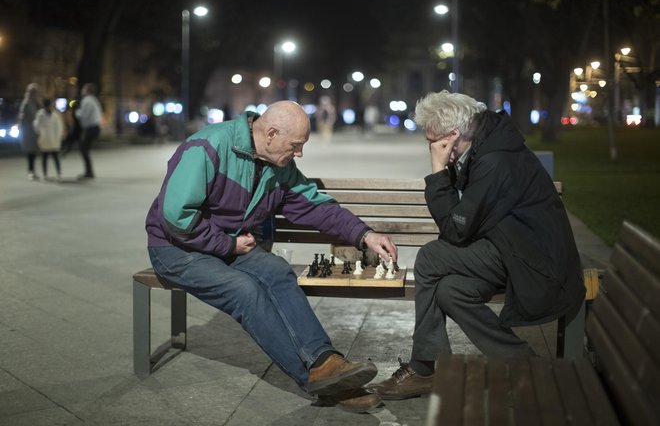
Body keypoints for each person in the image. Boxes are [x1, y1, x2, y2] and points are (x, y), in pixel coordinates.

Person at [145, 100, 398, 413]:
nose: (300, 153)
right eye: (296, 145)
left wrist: (364, 234)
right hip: (175, 248)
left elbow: (314, 206)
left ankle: (326, 362)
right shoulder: (208, 146)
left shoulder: (279, 166)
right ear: (271, 134)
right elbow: (175, 217)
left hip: (229, 246)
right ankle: (315, 380)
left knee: (277, 270)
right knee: (243, 290)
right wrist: (227, 245)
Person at [368, 90, 585, 400]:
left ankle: (426, 367)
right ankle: (522, 364)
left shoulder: (496, 160)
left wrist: (438, 171)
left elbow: (456, 230)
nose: (430, 147)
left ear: (453, 135)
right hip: (515, 248)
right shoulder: (488, 145)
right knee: (450, 290)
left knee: (430, 257)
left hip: (536, 262)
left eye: (432, 141)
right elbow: (464, 223)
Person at [75, 83, 103, 179]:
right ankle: (89, 171)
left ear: (88, 91)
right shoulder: (94, 100)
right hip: (95, 127)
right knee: (85, 148)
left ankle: (89, 172)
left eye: (84, 89)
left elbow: (84, 115)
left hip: (90, 128)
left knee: (83, 148)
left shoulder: (87, 101)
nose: (82, 91)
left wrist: (77, 112)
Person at [33, 98, 64, 180]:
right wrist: (41, 134)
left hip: (54, 139)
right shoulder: (40, 114)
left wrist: (59, 135)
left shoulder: (55, 114)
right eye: (51, 105)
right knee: (44, 158)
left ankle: (59, 173)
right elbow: (37, 126)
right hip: (45, 139)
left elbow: (59, 126)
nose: (52, 107)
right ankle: (44, 174)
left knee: (56, 157)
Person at [18, 83, 42, 180]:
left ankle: (32, 170)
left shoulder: (36, 102)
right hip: (29, 130)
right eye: (34, 92)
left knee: (33, 151)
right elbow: (26, 117)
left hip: (34, 130)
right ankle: (31, 171)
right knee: (30, 151)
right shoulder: (27, 103)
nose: (36, 94)